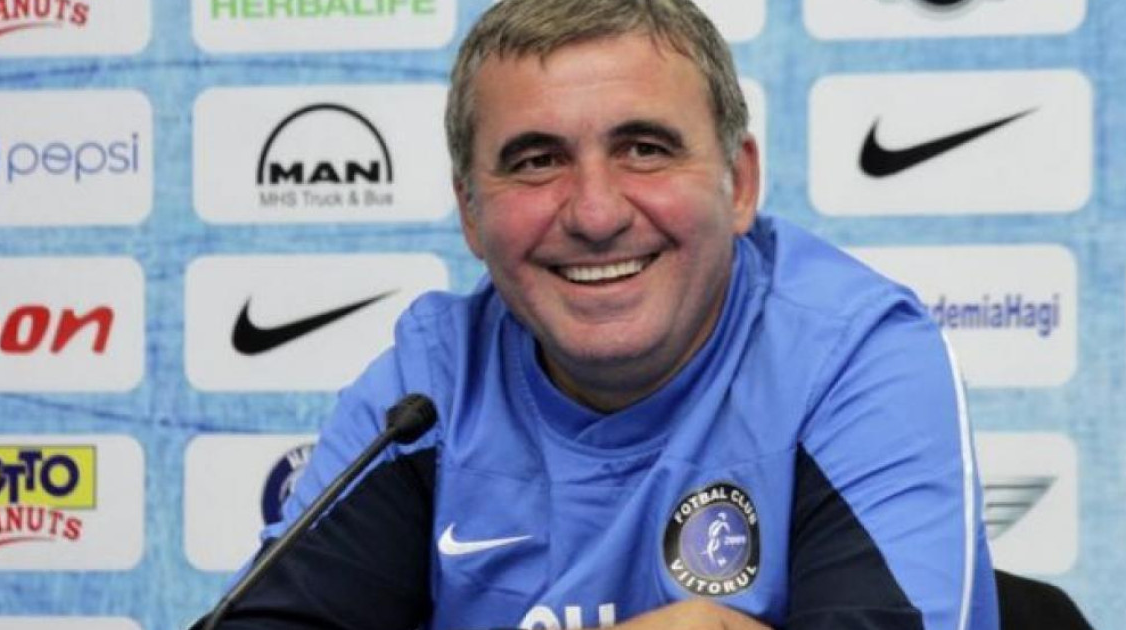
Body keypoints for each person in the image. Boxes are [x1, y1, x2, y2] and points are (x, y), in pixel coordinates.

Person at [198, 0, 1000, 628]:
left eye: (644, 149)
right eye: (537, 160)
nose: (594, 212)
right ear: (471, 213)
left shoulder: (851, 357)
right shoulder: (428, 388)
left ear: (740, 184)